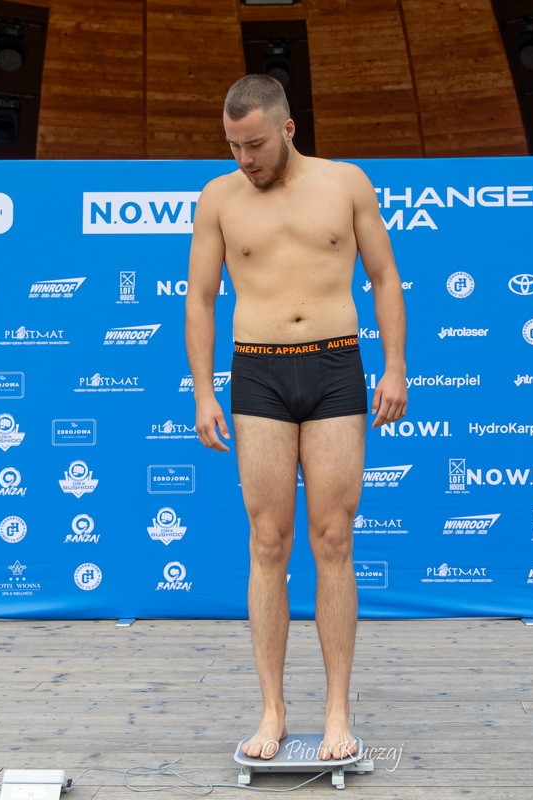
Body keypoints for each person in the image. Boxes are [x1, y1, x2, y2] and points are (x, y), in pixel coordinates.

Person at [184, 74, 408, 762]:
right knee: (267, 540)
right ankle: (272, 709)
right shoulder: (218, 198)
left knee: (333, 538)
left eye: (254, 144)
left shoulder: (346, 183)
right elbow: (200, 298)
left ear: (287, 129)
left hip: (335, 364)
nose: (243, 158)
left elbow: (384, 277)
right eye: (232, 145)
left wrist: (396, 367)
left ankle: (338, 711)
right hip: (258, 370)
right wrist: (203, 392)